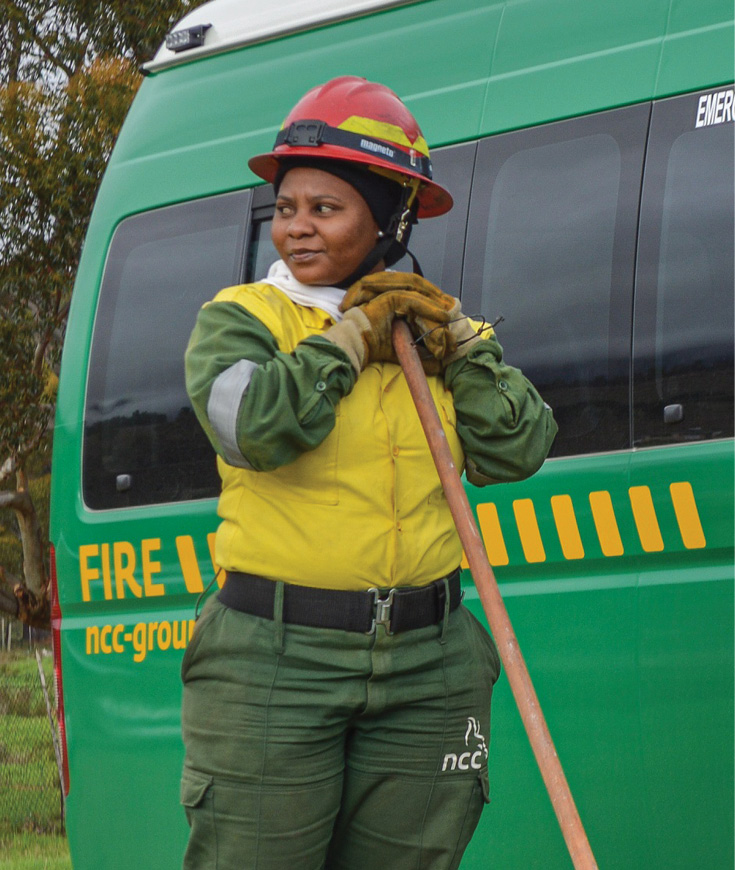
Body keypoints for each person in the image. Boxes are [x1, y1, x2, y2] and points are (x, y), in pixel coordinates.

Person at [181, 75, 557, 870]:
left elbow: (516, 449)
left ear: (392, 215)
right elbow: (253, 429)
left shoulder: (439, 325)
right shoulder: (242, 318)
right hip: (273, 659)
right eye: (286, 208)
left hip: (432, 662)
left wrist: (461, 343)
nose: (297, 230)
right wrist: (349, 339)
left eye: (326, 208)